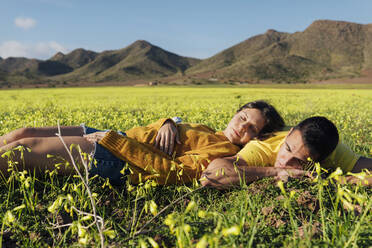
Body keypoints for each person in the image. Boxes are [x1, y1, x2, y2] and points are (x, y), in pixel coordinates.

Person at [0, 100, 285, 186]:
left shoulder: (223, 151)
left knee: (21, 151)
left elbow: (177, 173)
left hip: (121, 157)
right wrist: (167, 121)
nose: (241, 127)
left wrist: (115, 143)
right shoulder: (208, 129)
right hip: (118, 136)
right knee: (20, 133)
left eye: (251, 129)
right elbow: (167, 129)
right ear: (235, 112)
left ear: (256, 139)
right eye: (243, 117)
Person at [200, 116, 372, 189]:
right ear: (289, 134)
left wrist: (329, 181)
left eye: (298, 161)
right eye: (288, 148)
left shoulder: (336, 152)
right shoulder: (264, 148)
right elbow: (210, 175)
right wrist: (274, 171)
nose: (285, 160)